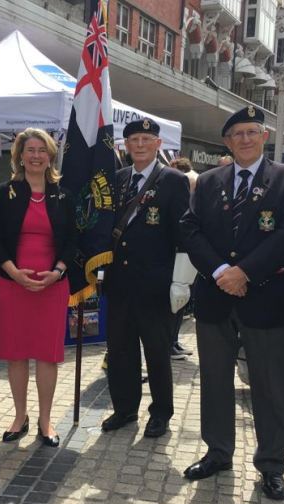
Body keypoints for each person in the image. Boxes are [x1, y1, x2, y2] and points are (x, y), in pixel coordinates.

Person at [179, 105, 284, 501]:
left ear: (264, 137)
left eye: (252, 132)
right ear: (227, 142)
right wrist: (220, 271)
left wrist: (244, 272)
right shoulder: (210, 180)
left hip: (265, 298)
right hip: (215, 298)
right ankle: (218, 453)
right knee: (215, 382)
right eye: (238, 134)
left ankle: (271, 465)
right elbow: (189, 228)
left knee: (269, 386)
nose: (245, 139)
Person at [100, 118, 193, 439]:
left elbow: (185, 235)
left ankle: (160, 414)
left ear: (158, 144)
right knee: (121, 352)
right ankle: (124, 409)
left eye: (146, 139)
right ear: (125, 146)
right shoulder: (117, 179)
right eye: (133, 140)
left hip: (156, 285)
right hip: (120, 284)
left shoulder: (173, 180)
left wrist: (181, 281)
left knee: (156, 354)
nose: (139, 145)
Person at [0, 128, 77, 448]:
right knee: (15, 354)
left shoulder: (64, 196)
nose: (36, 155)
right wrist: (13, 272)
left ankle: (45, 419)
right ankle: (19, 415)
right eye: (30, 150)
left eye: (42, 150)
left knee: (46, 356)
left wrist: (57, 272)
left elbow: (72, 242)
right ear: (20, 156)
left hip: (52, 286)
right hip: (12, 284)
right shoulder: (3, 192)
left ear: (51, 156)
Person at [168, 156, 198, 360]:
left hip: (182, 251)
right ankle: (171, 342)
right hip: (178, 251)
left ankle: (172, 342)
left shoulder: (186, 179)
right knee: (177, 300)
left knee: (178, 300)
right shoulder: (190, 179)